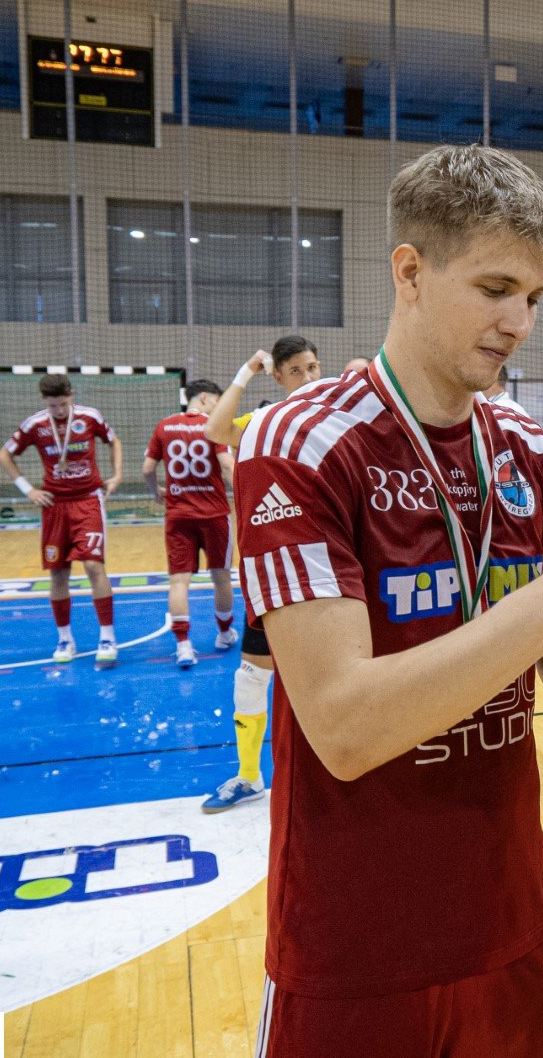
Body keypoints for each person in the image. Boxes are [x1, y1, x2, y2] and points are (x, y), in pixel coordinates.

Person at [237, 144, 543, 1054]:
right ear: (411, 272)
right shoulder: (297, 443)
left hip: (510, 918)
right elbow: (343, 729)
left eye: (536, 298)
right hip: (355, 939)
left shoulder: (526, 449)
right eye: (496, 287)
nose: (519, 321)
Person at [199, 335, 323, 814]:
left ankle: (333, 770)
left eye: (313, 367)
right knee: (251, 679)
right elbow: (215, 429)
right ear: (278, 377)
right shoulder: (262, 423)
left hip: (320, 576)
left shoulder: (331, 418)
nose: (309, 378)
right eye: (298, 371)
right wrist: (245, 371)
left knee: (323, 679)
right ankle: (249, 777)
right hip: (269, 574)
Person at [0, 374, 122, 667]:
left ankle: (107, 637)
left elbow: (114, 442)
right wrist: (28, 490)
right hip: (54, 505)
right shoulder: (35, 424)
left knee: (93, 565)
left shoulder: (90, 417)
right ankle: (65, 638)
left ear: (71, 395)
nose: (60, 411)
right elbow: (4, 455)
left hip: (88, 500)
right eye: (53, 406)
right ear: (44, 401)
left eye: (64, 404)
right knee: (58, 573)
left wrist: (116, 475)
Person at [143, 380, 236, 669]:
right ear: (206, 398)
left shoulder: (164, 426)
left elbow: (147, 468)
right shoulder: (214, 427)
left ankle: (183, 646)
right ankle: (224, 634)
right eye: (218, 402)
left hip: (178, 514)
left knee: (179, 581)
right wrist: (245, 496)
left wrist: (154, 491)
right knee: (221, 576)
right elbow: (227, 466)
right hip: (213, 514)